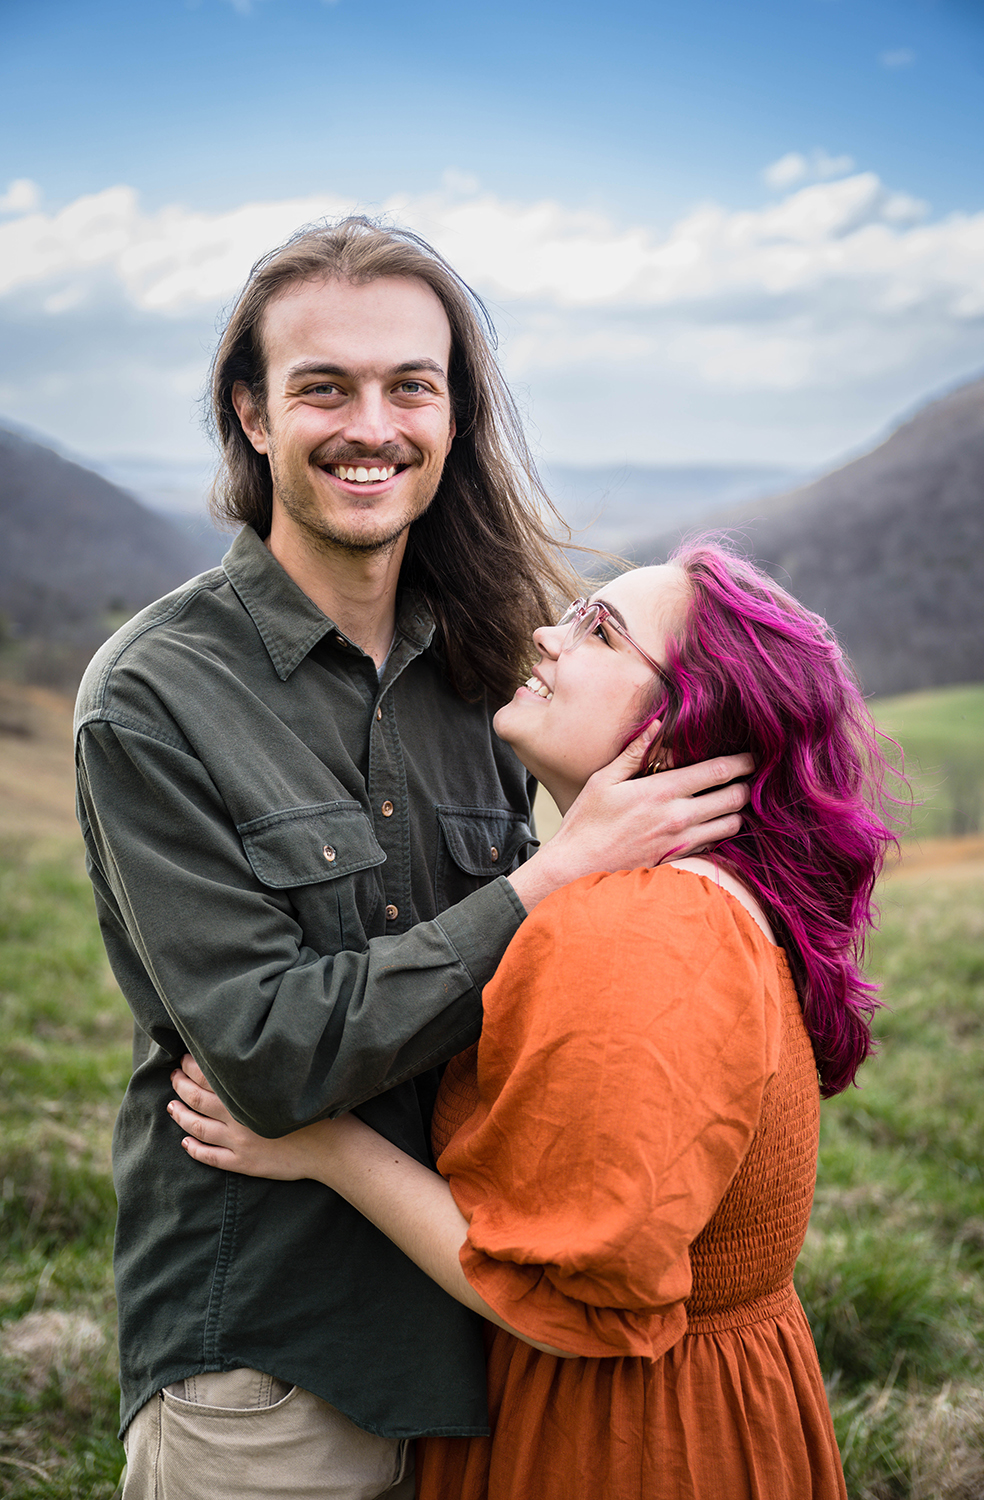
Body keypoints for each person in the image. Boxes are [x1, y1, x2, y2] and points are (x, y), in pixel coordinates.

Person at [74, 217, 752, 1499]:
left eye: (410, 386)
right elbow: (264, 1055)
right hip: (279, 1354)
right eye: (322, 386)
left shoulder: (483, 679)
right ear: (253, 416)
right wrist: (548, 879)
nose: (369, 423)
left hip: (492, 1335)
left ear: (453, 419)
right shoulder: (154, 695)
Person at [167, 542, 903, 1499]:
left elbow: (573, 1302)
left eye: (602, 630)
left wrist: (324, 1146)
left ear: (686, 724)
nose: (548, 638)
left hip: (625, 1442)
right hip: (698, 1414)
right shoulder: (684, 902)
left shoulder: (645, 926)